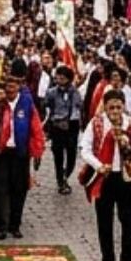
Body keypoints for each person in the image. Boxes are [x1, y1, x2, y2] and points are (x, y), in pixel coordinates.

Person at [81, 89, 131, 261]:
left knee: (129, 220)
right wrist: (98, 165)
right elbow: (85, 149)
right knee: (104, 220)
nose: (115, 110)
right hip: (105, 176)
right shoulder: (96, 124)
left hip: (125, 177)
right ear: (106, 107)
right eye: (112, 107)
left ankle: (128, 260)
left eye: (118, 106)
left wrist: (127, 145)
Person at [0, 67, 46, 239]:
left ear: (18, 88)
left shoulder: (27, 105)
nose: (9, 91)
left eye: (13, 88)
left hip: (21, 153)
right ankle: (2, 225)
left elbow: (36, 127)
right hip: (3, 152)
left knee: (19, 189)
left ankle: (15, 225)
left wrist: (37, 150)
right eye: (7, 88)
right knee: (1, 189)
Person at [43, 63, 83, 194]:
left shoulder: (75, 92)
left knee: (71, 153)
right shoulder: (51, 92)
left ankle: (67, 173)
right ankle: (61, 180)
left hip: (72, 126)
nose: (59, 81)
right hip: (57, 126)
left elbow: (78, 107)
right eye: (57, 78)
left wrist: (71, 120)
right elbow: (46, 106)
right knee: (58, 154)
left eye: (62, 78)